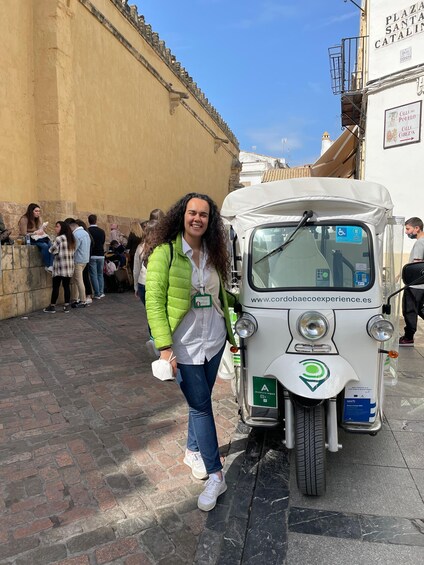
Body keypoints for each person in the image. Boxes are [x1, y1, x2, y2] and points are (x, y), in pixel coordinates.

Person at [145, 193, 237, 512]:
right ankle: (216, 474)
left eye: (204, 215)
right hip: (183, 347)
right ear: (181, 215)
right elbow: (154, 302)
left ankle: (191, 451)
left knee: (200, 402)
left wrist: (242, 316)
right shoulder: (165, 254)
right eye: (192, 212)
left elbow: (220, 295)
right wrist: (165, 348)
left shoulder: (214, 254)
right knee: (200, 406)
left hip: (213, 340)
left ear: (211, 222)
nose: (197, 218)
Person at [399, 217, 424, 346]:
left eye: (408, 229)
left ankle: (408, 337)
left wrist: (407, 279)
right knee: (421, 309)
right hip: (421, 285)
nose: (406, 232)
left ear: (417, 228)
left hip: (415, 285)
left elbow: (417, 264)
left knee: (410, 310)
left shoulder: (420, 242)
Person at [43, 221, 75, 313]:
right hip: (69, 266)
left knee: (56, 286)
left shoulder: (59, 238)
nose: (55, 228)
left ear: (62, 228)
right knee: (66, 286)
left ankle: (52, 306)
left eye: (57, 226)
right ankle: (66, 306)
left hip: (59, 266)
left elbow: (52, 250)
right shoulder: (71, 239)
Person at [18, 203, 53, 270]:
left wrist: (42, 228)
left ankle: (51, 265)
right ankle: (47, 265)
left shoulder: (38, 219)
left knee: (50, 244)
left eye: (39, 211)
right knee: (44, 246)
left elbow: (40, 229)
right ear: (31, 212)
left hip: (38, 237)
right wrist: (34, 233)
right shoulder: (24, 219)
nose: (38, 213)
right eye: (36, 211)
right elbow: (23, 233)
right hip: (28, 238)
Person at [68, 220, 91, 308]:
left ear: (72, 227)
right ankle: (75, 298)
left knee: (79, 281)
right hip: (85, 260)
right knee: (77, 280)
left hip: (78, 260)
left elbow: (74, 248)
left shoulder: (76, 235)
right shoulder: (85, 233)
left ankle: (82, 300)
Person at [75, 219, 94, 303]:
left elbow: (75, 247)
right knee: (86, 277)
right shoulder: (87, 234)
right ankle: (89, 295)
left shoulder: (78, 234)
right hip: (86, 258)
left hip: (81, 258)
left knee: (81, 279)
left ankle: (84, 298)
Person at [87, 214, 106, 299]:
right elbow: (103, 242)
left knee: (93, 275)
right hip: (101, 255)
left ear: (89, 221)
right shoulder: (102, 231)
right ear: (96, 220)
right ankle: (101, 292)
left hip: (92, 255)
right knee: (100, 274)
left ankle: (97, 293)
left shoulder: (88, 231)